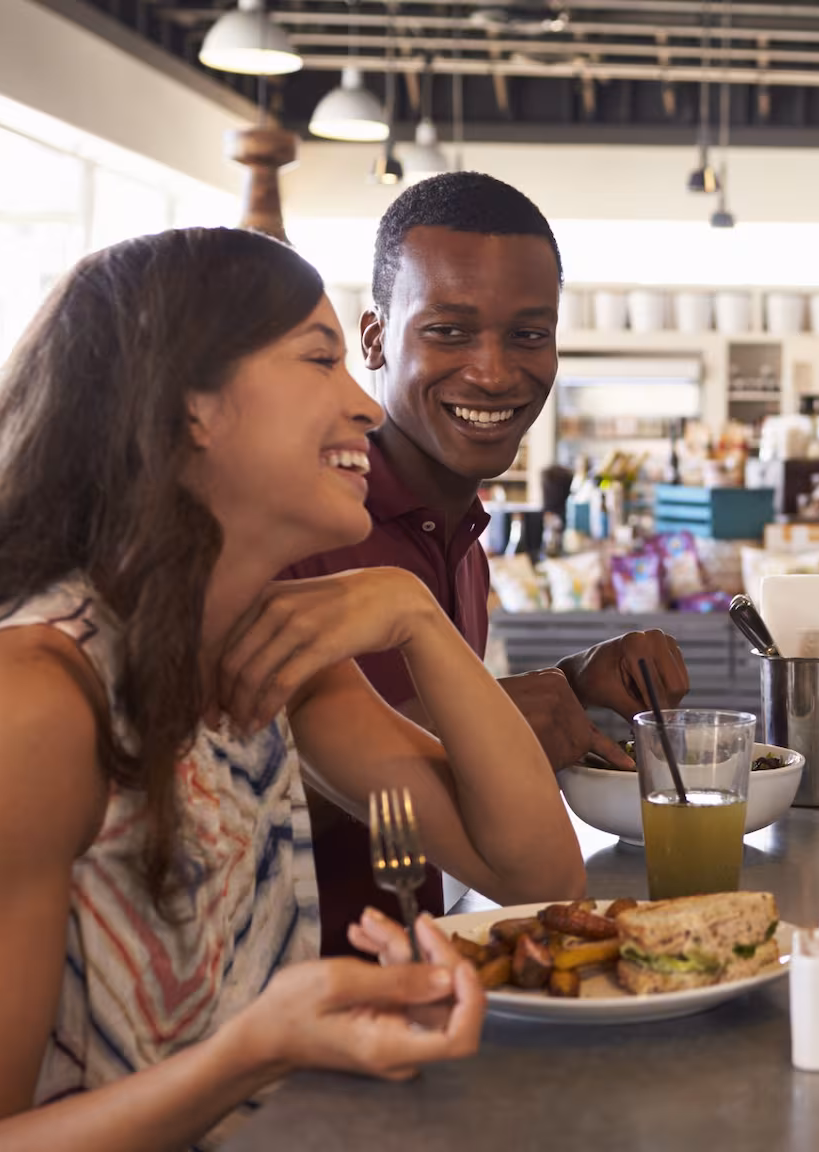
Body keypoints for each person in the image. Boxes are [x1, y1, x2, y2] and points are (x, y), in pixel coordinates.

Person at [0, 227, 587, 1148]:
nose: (361, 405)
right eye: (320, 360)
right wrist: (256, 1051)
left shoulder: (255, 645)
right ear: (190, 402)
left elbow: (537, 875)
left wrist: (416, 616)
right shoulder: (26, 697)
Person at [283, 172, 687, 954]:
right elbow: (235, 786)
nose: (496, 372)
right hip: (296, 1000)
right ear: (372, 339)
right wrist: (481, 723)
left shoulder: (462, 533)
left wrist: (571, 683)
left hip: (425, 979)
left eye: (529, 335)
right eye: (450, 331)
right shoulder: (301, 525)